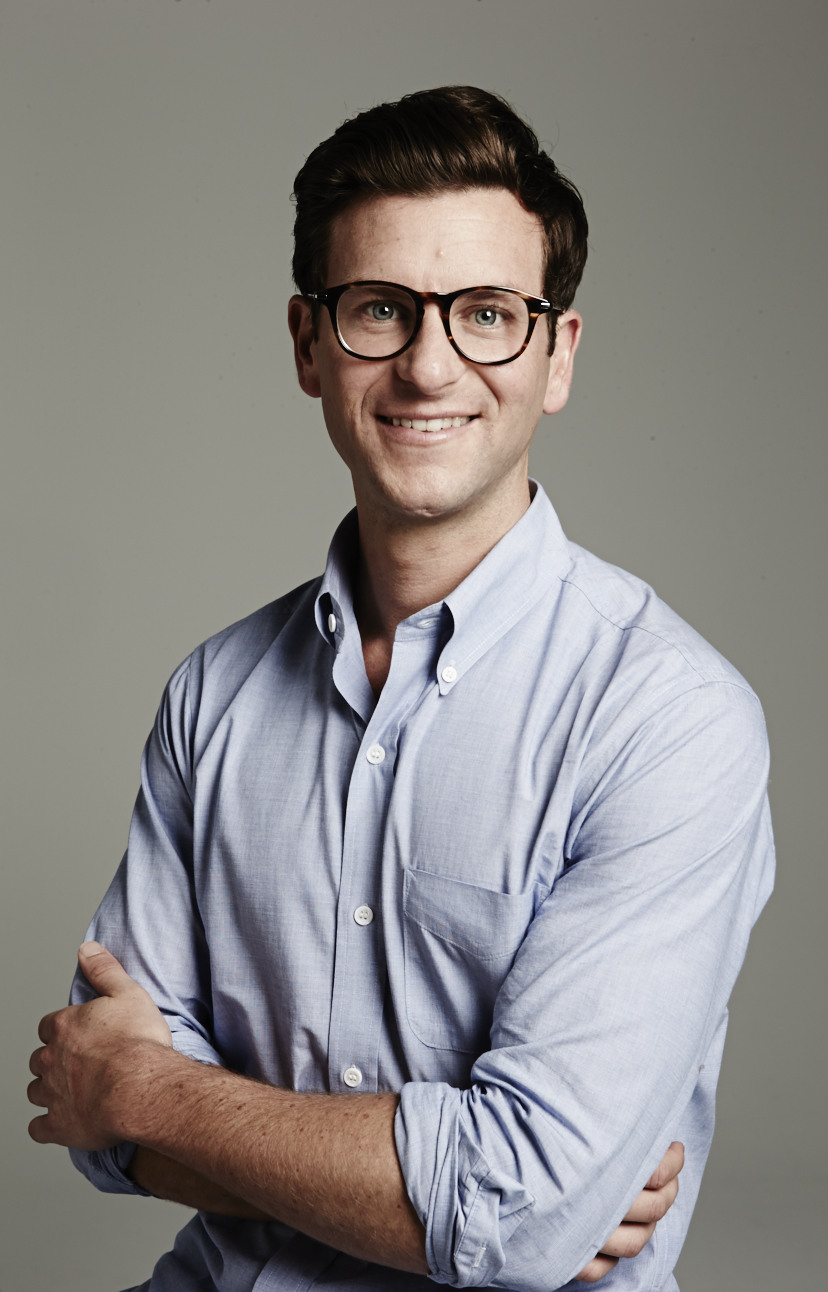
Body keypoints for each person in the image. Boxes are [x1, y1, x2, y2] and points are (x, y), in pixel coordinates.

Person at [28, 86, 775, 1292]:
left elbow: (518, 1203)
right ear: (308, 342)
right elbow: (95, 1120)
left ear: (557, 356)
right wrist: (477, 1191)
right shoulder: (213, 696)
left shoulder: (667, 719)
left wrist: (159, 1093)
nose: (430, 366)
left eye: (487, 314)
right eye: (380, 308)